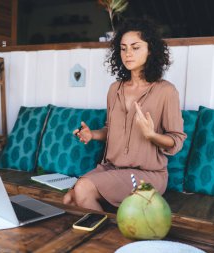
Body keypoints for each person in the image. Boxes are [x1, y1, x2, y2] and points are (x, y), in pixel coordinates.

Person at [63, 18, 186, 211]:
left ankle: (108, 240)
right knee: (68, 200)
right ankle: (106, 231)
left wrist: (151, 135)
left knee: (83, 189)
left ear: (151, 49)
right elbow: (111, 129)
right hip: (112, 169)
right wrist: (92, 135)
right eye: (123, 48)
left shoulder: (166, 91)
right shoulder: (115, 89)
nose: (128, 54)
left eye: (135, 47)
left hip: (148, 174)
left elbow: (177, 140)